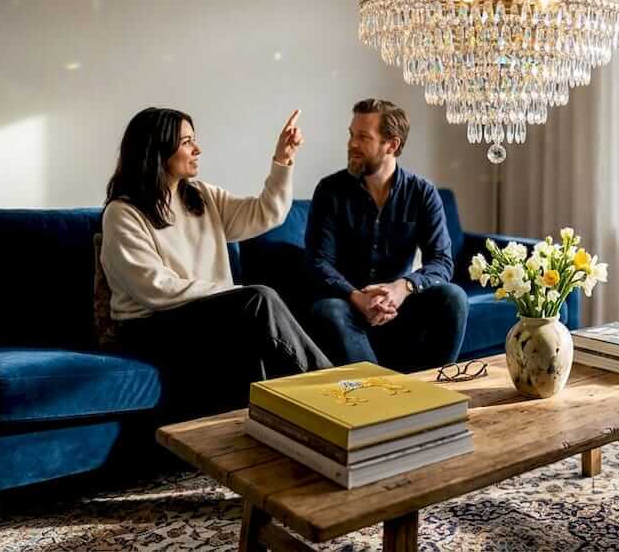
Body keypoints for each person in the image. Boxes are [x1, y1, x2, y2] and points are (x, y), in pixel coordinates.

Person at [100, 107, 331, 411]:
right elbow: (154, 288)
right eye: (186, 142)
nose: (197, 149)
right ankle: (333, 391)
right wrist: (231, 294)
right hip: (147, 326)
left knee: (248, 332)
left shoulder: (201, 196)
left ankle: (282, 424)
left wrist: (282, 160)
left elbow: (266, 213)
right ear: (158, 149)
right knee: (258, 300)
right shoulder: (123, 213)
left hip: (201, 315)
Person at [303, 98, 468, 373]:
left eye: (363, 137)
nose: (352, 144)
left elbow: (442, 261)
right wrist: (357, 296)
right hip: (347, 304)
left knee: (453, 297)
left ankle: (431, 390)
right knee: (328, 310)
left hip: (398, 305)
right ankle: (379, 394)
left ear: (391, 145)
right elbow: (317, 262)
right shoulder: (330, 190)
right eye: (351, 135)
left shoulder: (422, 192)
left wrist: (403, 287)